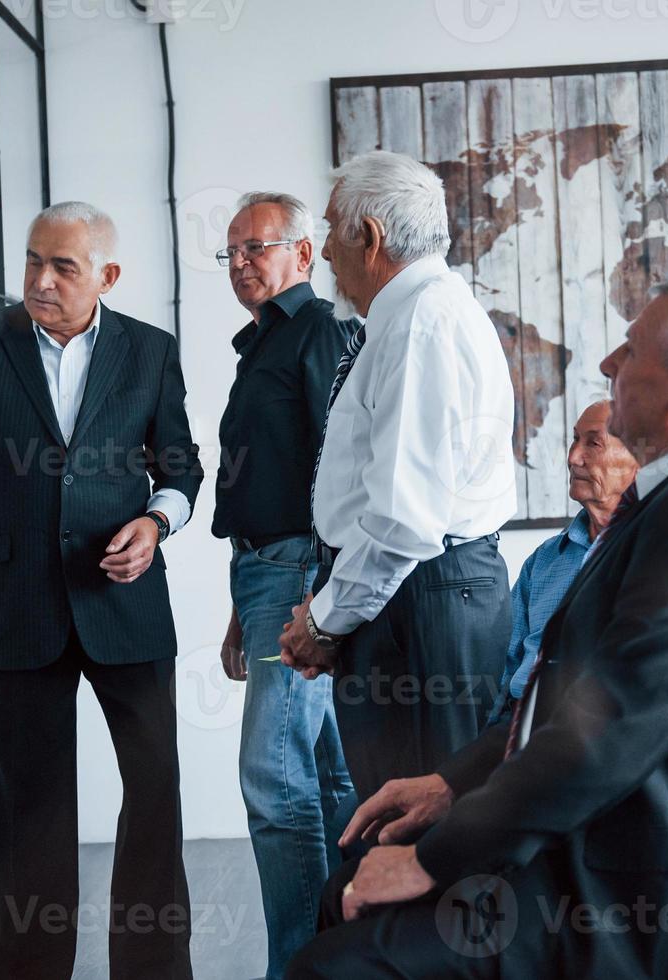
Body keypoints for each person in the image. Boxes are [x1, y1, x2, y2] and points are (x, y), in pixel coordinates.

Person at [289, 275, 668, 978]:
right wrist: (449, 783)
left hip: (623, 885)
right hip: (597, 834)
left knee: (336, 963)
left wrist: (431, 860)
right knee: (350, 880)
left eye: (629, 351)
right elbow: (566, 698)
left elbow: (607, 731)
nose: (606, 365)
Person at [0, 203, 201, 979]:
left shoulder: (150, 351)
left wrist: (154, 524)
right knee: (29, 812)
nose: (40, 281)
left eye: (63, 267)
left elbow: (179, 467)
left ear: (107, 277)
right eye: (32, 262)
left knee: (155, 790)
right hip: (17, 602)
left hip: (124, 601)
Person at [279, 151, 518, 805]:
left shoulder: (421, 325)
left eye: (330, 229)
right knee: (404, 828)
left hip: (419, 605)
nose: (323, 251)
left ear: (370, 238)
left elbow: (403, 523)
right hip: (410, 600)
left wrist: (324, 622)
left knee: (415, 837)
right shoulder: (415, 316)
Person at [212, 191, 356, 979]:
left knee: (274, 778)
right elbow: (265, 479)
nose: (239, 265)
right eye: (229, 253)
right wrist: (242, 607)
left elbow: (338, 472)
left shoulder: (321, 333)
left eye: (255, 248)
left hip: (301, 572)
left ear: (303, 254)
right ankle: (347, 958)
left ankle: (298, 969)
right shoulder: (261, 342)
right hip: (266, 572)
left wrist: (316, 600)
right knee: (331, 776)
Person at [486, 399, 637, 725]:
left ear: (640, 459)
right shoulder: (544, 559)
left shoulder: (651, 554)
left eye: (593, 443)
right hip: (519, 730)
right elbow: (506, 667)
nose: (573, 458)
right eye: (574, 440)